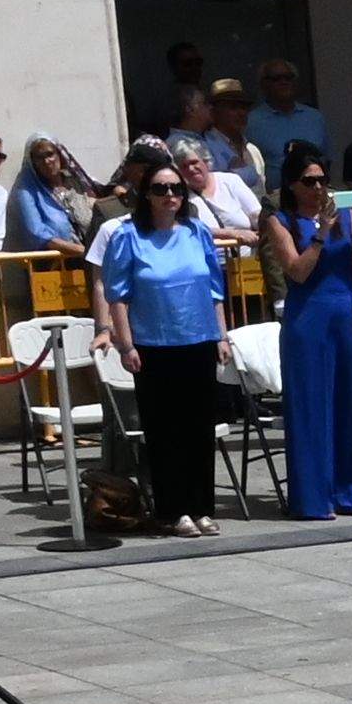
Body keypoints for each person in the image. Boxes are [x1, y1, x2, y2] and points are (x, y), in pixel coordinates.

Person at [88, 157, 227, 539]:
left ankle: (201, 507)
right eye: (160, 189)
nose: (170, 195)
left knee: (199, 428)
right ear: (146, 195)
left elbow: (215, 288)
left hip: (198, 339)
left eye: (176, 189)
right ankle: (173, 509)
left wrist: (222, 335)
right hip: (153, 345)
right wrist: (125, 344)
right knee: (166, 431)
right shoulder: (128, 236)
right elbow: (117, 294)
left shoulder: (197, 232)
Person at [265, 146, 352, 518]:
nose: (318, 188)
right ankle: (316, 496)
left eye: (322, 180)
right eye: (309, 181)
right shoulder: (280, 221)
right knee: (312, 406)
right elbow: (297, 272)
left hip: (345, 312)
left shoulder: (344, 216)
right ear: (292, 184)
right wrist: (320, 234)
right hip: (308, 318)